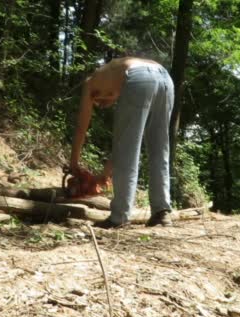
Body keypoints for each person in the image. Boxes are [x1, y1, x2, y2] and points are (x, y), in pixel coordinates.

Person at [69, 57, 174, 228]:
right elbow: (122, 146)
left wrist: (73, 164)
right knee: (159, 147)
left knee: (130, 149)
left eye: (99, 102)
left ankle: (119, 218)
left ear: (96, 95)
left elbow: (82, 127)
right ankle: (161, 213)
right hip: (165, 79)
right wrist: (105, 174)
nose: (102, 105)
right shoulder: (115, 78)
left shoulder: (90, 84)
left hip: (141, 77)